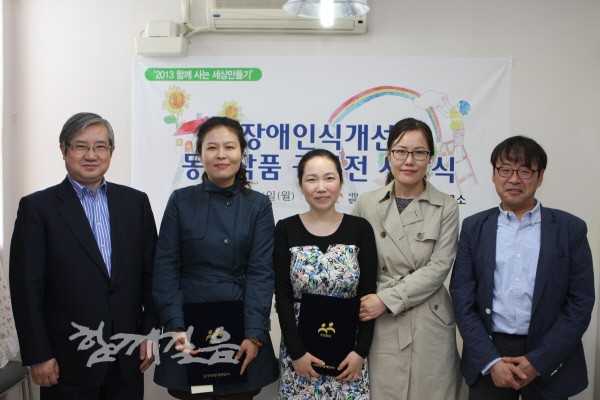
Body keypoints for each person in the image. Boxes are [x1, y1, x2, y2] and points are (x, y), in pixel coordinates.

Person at [9, 112, 158, 400]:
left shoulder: (135, 203)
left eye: (100, 146)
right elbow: (26, 289)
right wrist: (38, 355)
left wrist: (150, 333)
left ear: (111, 151)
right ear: (63, 149)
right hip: (67, 362)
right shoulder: (38, 208)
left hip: (127, 357)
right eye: (80, 146)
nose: (91, 155)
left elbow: (151, 275)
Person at [449, 136, 595, 400]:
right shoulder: (474, 227)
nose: (514, 179)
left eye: (525, 171)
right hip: (489, 352)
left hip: (549, 352)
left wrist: (540, 361)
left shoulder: (570, 229)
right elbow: (462, 297)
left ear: (540, 177)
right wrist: (491, 361)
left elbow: (581, 302)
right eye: (505, 170)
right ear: (494, 174)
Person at [152, 116, 279, 400]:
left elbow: (261, 272)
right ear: (199, 154)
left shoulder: (258, 205)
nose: (221, 155)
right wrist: (174, 325)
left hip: (241, 323)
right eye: (212, 147)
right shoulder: (180, 201)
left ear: (242, 153)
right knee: (195, 393)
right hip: (188, 326)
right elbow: (165, 267)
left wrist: (254, 334)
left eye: (229, 147)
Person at [352, 117, 461, 399]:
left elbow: (439, 267)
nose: (409, 161)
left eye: (419, 152)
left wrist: (386, 300)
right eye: (400, 151)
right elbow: (351, 262)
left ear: (431, 158)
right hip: (378, 317)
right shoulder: (367, 203)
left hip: (428, 315)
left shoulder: (446, 205)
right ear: (388, 155)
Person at [274, 149, 378, 399]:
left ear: (340, 183)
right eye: (312, 179)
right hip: (299, 355)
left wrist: (360, 352)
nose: (321, 187)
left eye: (329, 178)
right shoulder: (286, 228)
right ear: (301, 185)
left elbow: (368, 295)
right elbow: (283, 295)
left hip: (349, 356)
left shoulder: (360, 228)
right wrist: (296, 353)